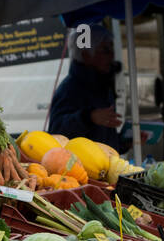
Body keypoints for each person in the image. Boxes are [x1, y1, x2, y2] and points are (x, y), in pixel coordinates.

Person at [47, 23, 129, 152]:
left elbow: (104, 140)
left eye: (112, 49)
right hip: (79, 169)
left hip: (105, 168)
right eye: (105, 50)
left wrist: (126, 143)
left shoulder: (102, 85)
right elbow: (57, 132)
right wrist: (88, 118)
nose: (112, 56)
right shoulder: (70, 89)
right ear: (86, 55)